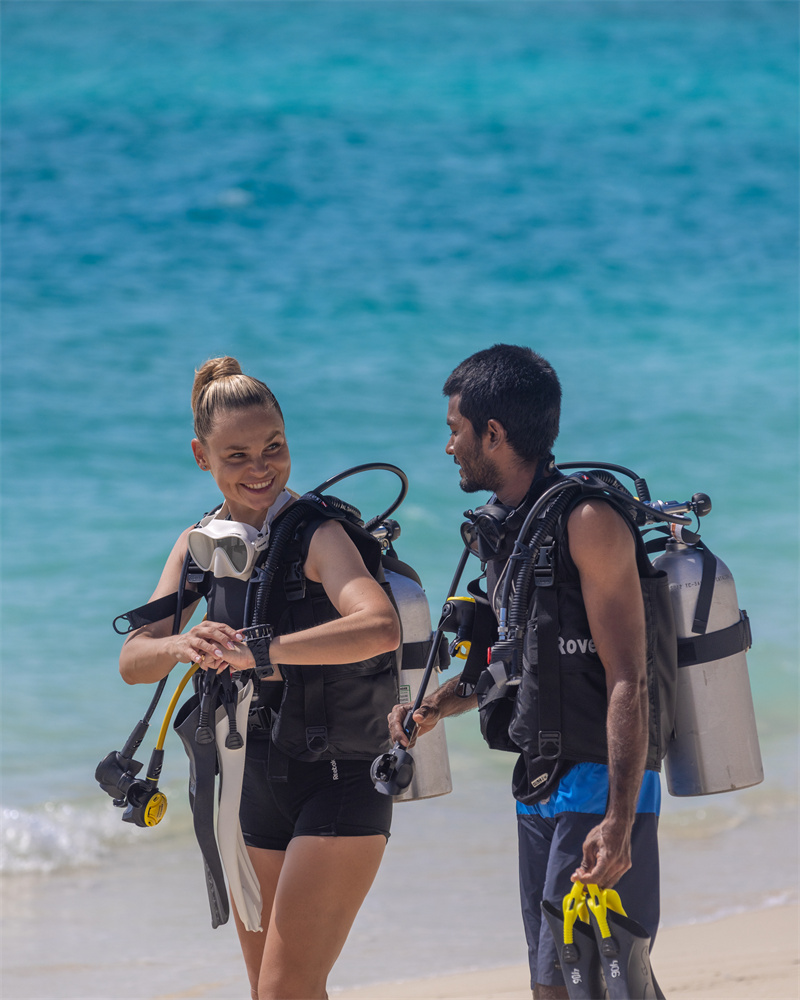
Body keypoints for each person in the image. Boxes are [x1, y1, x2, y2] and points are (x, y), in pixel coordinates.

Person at [120, 356, 401, 1000]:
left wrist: (261, 652)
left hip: (338, 778)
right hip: (248, 786)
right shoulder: (199, 544)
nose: (260, 469)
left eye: (273, 447)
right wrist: (181, 644)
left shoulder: (318, 535)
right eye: (237, 455)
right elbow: (134, 660)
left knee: (285, 990)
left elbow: (380, 626)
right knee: (270, 991)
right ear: (201, 456)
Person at [389, 344, 662, 1000]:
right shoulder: (506, 532)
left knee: (584, 985)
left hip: (598, 787)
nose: (449, 446)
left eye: (455, 429)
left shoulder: (588, 522)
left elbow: (630, 676)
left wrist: (619, 820)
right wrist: (435, 707)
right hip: (537, 782)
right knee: (576, 985)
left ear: (494, 433)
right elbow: (511, 664)